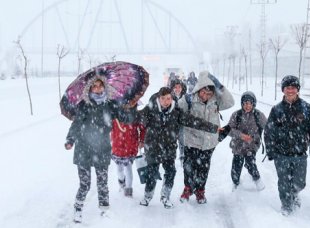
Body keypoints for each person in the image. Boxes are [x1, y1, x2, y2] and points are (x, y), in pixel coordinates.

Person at [64, 75, 138, 223]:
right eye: (94, 86)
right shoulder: (84, 104)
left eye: (100, 86)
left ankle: (104, 209)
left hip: (102, 148)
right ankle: (78, 209)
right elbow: (77, 124)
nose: (97, 89)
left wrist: (130, 106)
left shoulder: (111, 105)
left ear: (104, 87)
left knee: (102, 182)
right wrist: (70, 139)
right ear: (90, 88)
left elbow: (126, 118)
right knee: (85, 184)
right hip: (83, 148)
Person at [138, 87, 220, 209]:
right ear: (158, 99)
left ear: (172, 99)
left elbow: (192, 121)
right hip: (153, 149)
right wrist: (128, 111)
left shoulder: (176, 112)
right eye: (163, 99)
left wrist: (212, 127)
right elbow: (136, 118)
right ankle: (147, 196)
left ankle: (165, 196)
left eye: (168, 98)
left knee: (171, 173)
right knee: (151, 174)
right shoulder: (150, 110)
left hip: (169, 149)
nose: (166, 101)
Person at [264, 75, 310, 216]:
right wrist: (270, 150)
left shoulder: (307, 108)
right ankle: (286, 205)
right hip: (281, 154)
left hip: (300, 154)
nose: (290, 90)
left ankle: (294, 194)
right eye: (287, 88)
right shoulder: (276, 110)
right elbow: (269, 131)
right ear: (283, 90)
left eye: (293, 87)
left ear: (298, 89)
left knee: (300, 183)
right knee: (283, 182)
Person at [177, 71, 235, 204]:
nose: (205, 96)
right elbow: (176, 112)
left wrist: (220, 87)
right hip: (191, 141)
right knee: (189, 167)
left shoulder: (216, 101)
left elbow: (230, 102)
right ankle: (187, 188)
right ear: (198, 89)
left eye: (209, 94)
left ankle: (200, 191)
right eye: (203, 92)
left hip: (209, 143)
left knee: (203, 168)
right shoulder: (188, 99)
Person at [227, 91, 267, 191]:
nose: (247, 106)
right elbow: (228, 130)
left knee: (251, 163)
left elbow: (269, 127)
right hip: (238, 146)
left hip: (251, 146)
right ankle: (235, 184)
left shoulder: (259, 115)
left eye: (249, 103)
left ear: (253, 103)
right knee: (236, 167)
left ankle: (258, 181)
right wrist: (240, 135)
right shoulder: (236, 115)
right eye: (244, 103)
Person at [110, 99, 145, 198]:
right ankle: (124, 184)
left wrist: (142, 140)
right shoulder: (115, 113)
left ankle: (126, 187)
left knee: (125, 168)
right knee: (122, 169)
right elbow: (108, 126)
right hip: (121, 145)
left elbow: (142, 128)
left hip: (125, 145)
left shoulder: (134, 114)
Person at [169, 79, 187, 164]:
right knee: (171, 142)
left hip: (182, 123)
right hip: (171, 124)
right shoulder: (169, 97)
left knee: (182, 141)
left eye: (179, 87)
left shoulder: (186, 97)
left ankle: (182, 156)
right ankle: (170, 158)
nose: (177, 89)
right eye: (175, 87)